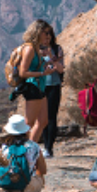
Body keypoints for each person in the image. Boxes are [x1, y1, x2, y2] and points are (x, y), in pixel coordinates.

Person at [0, 114, 49, 192]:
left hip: (2, 189)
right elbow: (42, 170)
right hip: (26, 191)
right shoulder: (33, 146)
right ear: (25, 130)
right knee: (40, 176)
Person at [33, 20, 65, 156]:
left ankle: (49, 147)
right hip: (40, 86)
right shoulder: (35, 49)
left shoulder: (57, 49)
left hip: (54, 86)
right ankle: (39, 145)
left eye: (49, 34)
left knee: (51, 116)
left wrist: (52, 57)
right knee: (40, 117)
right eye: (45, 34)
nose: (47, 37)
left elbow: (61, 69)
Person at [6, 25, 43, 132]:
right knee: (29, 122)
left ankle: (28, 145)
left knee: (41, 121)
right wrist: (42, 73)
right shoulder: (29, 49)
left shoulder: (35, 48)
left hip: (36, 86)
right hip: (32, 86)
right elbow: (23, 73)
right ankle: (22, 146)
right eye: (44, 33)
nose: (47, 36)